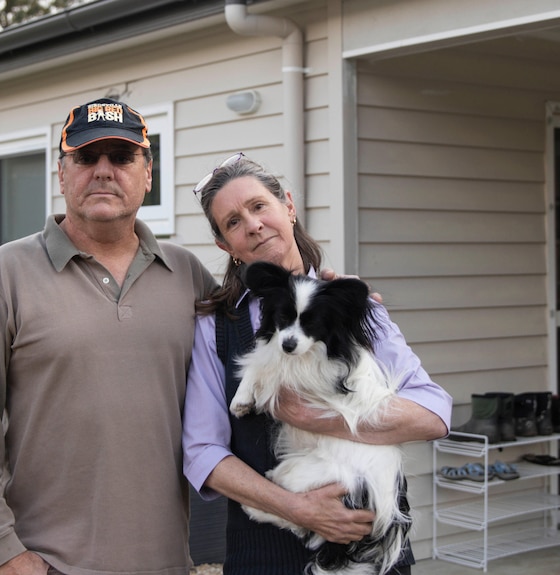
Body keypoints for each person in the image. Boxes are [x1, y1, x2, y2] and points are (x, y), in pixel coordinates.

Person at [0, 98, 217, 575]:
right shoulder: (3, 276)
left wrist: (334, 302)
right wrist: (2, 552)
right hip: (52, 563)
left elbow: (261, 347)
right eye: (86, 157)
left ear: (147, 174)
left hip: (168, 561)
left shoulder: (187, 275)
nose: (103, 171)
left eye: (122, 157)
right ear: (61, 174)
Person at [182, 153, 453, 575]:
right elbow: (203, 453)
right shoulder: (215, 328)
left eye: (258, 206)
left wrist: (314, 416)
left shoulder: (352, 304)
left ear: (288, 207)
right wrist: (297, 508)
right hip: (265, 557)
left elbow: (433, 415)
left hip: (372, 555)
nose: (252, 224)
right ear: (224, 246)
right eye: (233, 222)